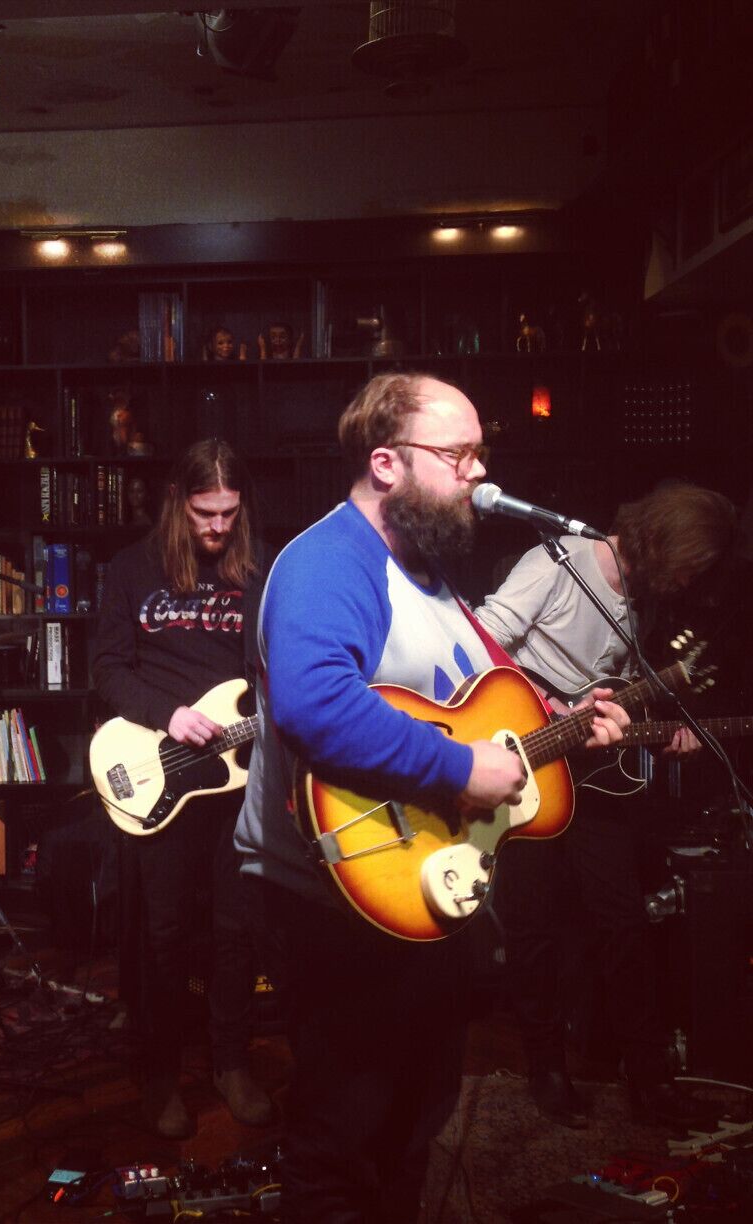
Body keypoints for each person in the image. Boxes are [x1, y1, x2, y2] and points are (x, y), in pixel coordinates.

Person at [234, 372, 629, 1221]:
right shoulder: (330, 562)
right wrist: (459, 771)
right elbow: (314, 704)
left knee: (415, 1119)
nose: (479, 476)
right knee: (344, 1133)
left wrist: (562, 722)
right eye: (458, 455)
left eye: (481, 454)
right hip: (331, 896)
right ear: (386, 462)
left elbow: (477, 704)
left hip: (418, 886)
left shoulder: (432, 575)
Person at [475, 481, 737, 1129]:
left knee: (622, 922)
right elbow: (478, 645)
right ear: (664, 543)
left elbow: (611, 689)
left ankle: (649, 1077)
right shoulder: (560, 560)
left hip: (592, 780)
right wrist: (549, 707)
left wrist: (667, 730)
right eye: (687, 567)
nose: (686, 583)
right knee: (533, 926)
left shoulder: (642, 599)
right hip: (526, 766)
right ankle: (546, 1069)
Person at [92, 438, 273, 1139]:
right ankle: (160, 1073)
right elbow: (106, 668)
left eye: (229, 513)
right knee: (164, 935)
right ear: (179, 503)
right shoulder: (133, 569)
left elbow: (271, 670)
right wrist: (167, 715)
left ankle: (231, 1062)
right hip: (158, 770)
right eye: (204, 513)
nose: (218, 528)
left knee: (237, 929)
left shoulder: (258, 573)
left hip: (236, 776)